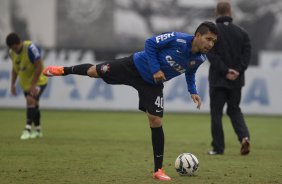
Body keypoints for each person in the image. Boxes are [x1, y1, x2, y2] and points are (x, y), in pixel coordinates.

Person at [43, 21, 218, 180]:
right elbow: (150, 43)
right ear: (197, 36)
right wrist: (156, 69)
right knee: (93, 72)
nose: (210, 44)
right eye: (208, 39)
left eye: (213, 41)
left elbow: (190, 71)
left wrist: (192, 91)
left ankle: (158, 170)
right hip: (133, 66)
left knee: (156, 121)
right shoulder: (177, 39)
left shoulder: (200, 58)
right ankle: (62, 70)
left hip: (152, 85)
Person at [206, 1, 251, 156]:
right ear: (230, 12)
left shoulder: (212, 33)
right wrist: (236, 71)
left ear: (216, 12)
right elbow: (246, 56)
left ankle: (218, 148)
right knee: (234, 110)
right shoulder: (242, 33)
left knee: (216, 114)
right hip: (236, 81)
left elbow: (210, 54)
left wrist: (225, 71)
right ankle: (244, 138)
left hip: (218, 80)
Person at [6, 33, 48, 140]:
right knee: (34, 104)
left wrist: (34, 84)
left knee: (30, 100)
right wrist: (12, 84)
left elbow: (39, 66)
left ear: (19, 43)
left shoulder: (31, 48)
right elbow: (15, 69)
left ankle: (27, 129)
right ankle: (38, 130)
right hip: (26, 83)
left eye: (15, 47)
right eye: (12, 48)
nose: (14, 50)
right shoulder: (11, 53)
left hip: (39, 81)